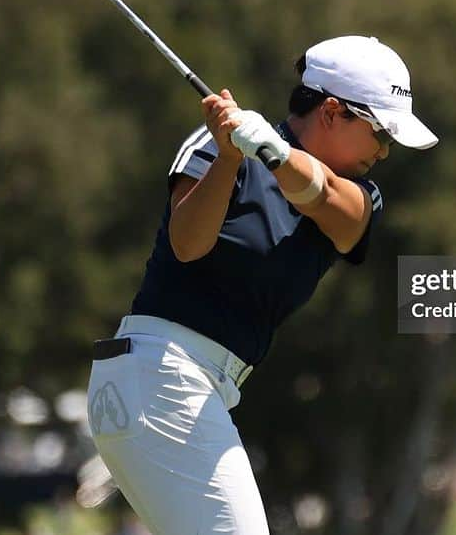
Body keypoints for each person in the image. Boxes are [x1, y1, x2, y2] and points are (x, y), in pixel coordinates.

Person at [86, 36, 437, 534]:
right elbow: (187, 244)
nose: (384, 150)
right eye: (380, 131)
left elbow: (332, 207)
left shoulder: (358, 195)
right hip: (161, 375)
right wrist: (231, 156)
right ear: (333, 112)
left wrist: (272, 153)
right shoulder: (216, 145)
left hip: (186, 387)